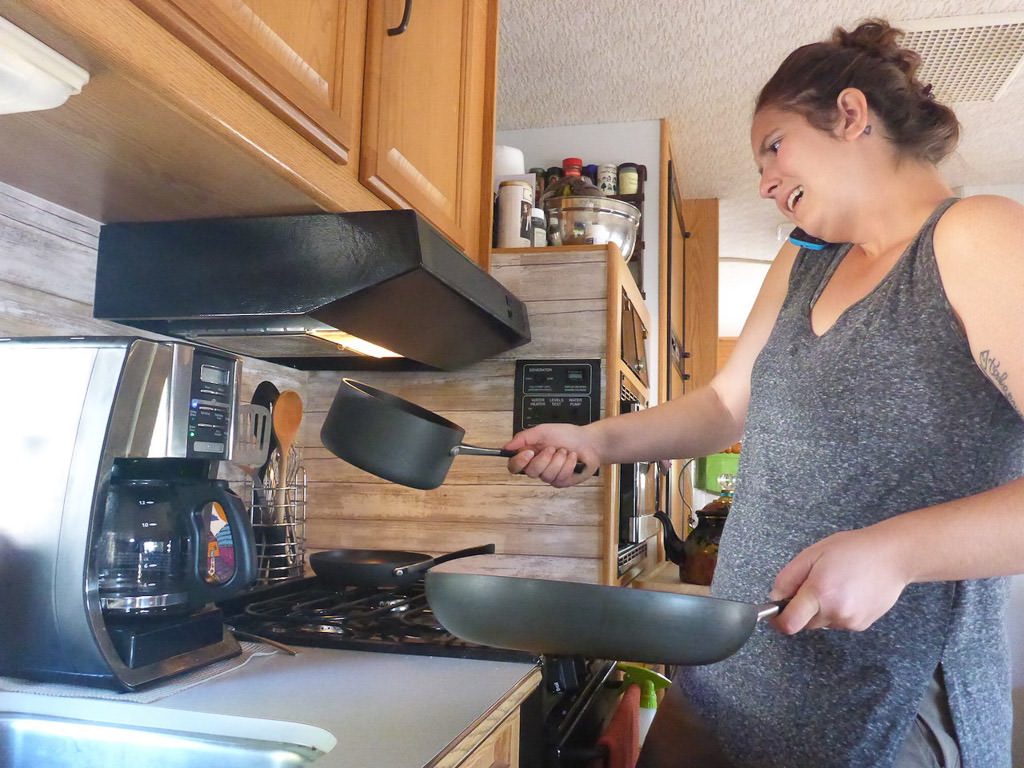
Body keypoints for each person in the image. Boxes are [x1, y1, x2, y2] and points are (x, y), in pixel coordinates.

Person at [502, 18, 1024, 768]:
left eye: (774, 145)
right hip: (733, 667)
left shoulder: (975, 235)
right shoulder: (804, 261)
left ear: (851, 115)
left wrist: (899, 553)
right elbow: (722, 407)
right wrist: (594, 440)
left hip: (887, 700)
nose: (765, 181)